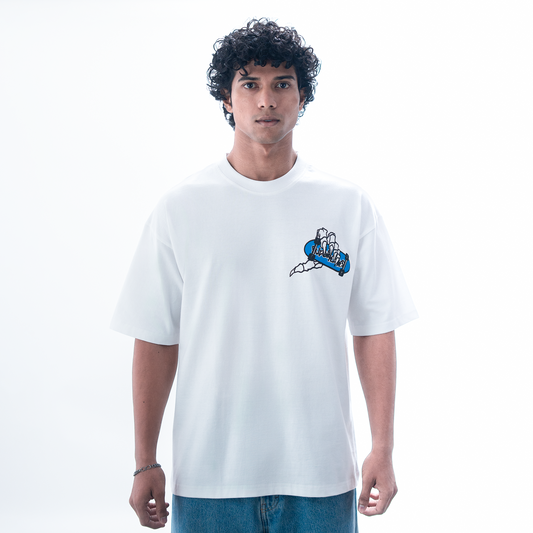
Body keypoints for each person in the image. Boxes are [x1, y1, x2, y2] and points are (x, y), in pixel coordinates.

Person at [111, 18, 418, 532]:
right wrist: (145, 460)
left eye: (282, 84)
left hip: (322, 479)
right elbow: (157, 338)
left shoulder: (347, 206)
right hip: (209, 482)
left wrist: (382, 448)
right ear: (227, 99)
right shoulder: (181, 209)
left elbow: (374, 329)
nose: (266, 100)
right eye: (250, 84)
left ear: (303, 97)